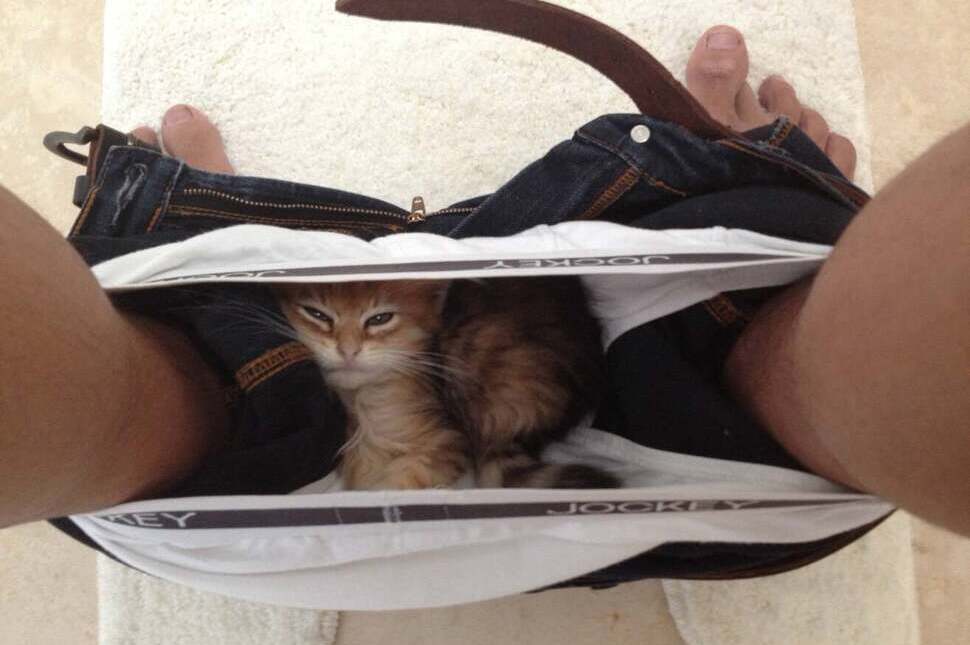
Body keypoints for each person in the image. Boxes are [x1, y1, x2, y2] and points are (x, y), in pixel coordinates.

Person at [0, 26, 967, 538]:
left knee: (167, 339)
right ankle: (778, 314)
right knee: (778, 250)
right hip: (723, 389)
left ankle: (201, 295)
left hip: (217, 416)